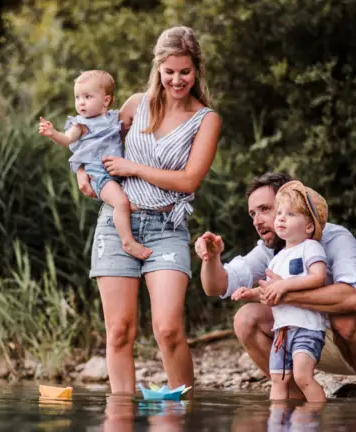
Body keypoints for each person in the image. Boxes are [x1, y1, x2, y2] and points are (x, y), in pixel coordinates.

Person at [84, 26, 221, 397]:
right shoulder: (133, 105)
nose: (177, 80)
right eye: (170, 71)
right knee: (119, 330)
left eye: (185, 72)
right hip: (118, 224)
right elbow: (93, 143)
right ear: (158, 69)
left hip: (166, 226)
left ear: (197, 71)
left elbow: (190, 180)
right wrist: (85, 173)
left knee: (167, 329)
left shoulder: (206, 119)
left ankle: (181, 409)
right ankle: (121, 413)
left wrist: (135, 169)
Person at [195, 173, 356, 400]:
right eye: (253, 214)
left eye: (265, 209)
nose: (257, 221)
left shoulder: (334, 238)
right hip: (313, 339)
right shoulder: (270, 250)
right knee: (245, 319)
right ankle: (297, 403)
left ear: (292, 203)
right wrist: (211, 259)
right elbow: (216, 287)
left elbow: (352, 298)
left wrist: (285, 294)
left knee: (344, 315)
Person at [232, 181, 330, 402]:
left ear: (309, 226)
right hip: (281, 331)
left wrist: (284, 286)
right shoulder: (277, 258)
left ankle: (318, 416)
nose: (281, 218)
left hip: (306, 327)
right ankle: (277, 419)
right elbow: (269, 290)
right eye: (280, 214)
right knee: (278, 379)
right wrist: (251, 293)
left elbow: (318, 277)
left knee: (303, 377)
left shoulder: (310, 247)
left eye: (290, 214)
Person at [38, 70, 151, 260]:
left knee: (128, 201)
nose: (81, 102)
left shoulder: (114, 118)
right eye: (77, 97)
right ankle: (127, 241)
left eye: (87, 97)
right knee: (121, 202)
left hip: (117, 172)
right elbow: (67, 140)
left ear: (106, 101)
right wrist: (53, 133)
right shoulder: (81, 124)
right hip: (99, 174)